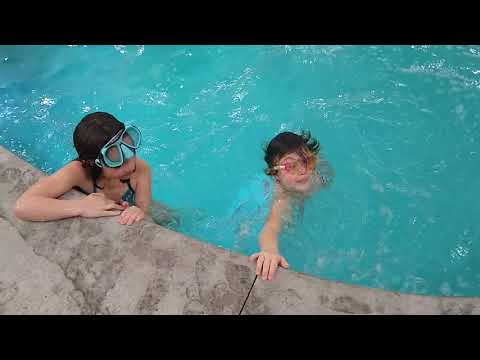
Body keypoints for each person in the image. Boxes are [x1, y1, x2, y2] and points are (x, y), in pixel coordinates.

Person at [14, 111, 156, 226]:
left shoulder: (141, 168)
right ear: (94, 162)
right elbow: (23, 206)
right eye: (117, 163)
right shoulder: (77, 171)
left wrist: (138, 211)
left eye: (130, 154)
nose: (130, 165)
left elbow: (144, 209)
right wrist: (81, 206)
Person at [249, 131, 333, 281]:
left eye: (306, 161)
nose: (302, 171)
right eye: (290, 166)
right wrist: (269, 251)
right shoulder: (282, 198)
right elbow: (271, 227)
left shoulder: (316, 177)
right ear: (275, 175)